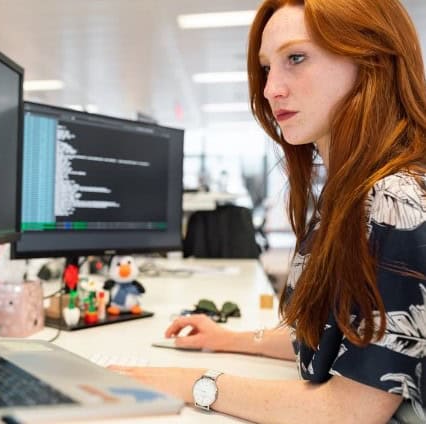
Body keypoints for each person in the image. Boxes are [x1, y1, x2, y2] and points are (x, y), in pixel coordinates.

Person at [111, 0, 426, 422]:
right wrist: (230, 338)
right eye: (266, 68)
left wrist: (187, 383)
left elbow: (351, 410)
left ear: (371, 60)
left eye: (296, 58)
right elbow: (339, 338)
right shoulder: (351, 192)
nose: (269, 88)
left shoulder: (395, 199)